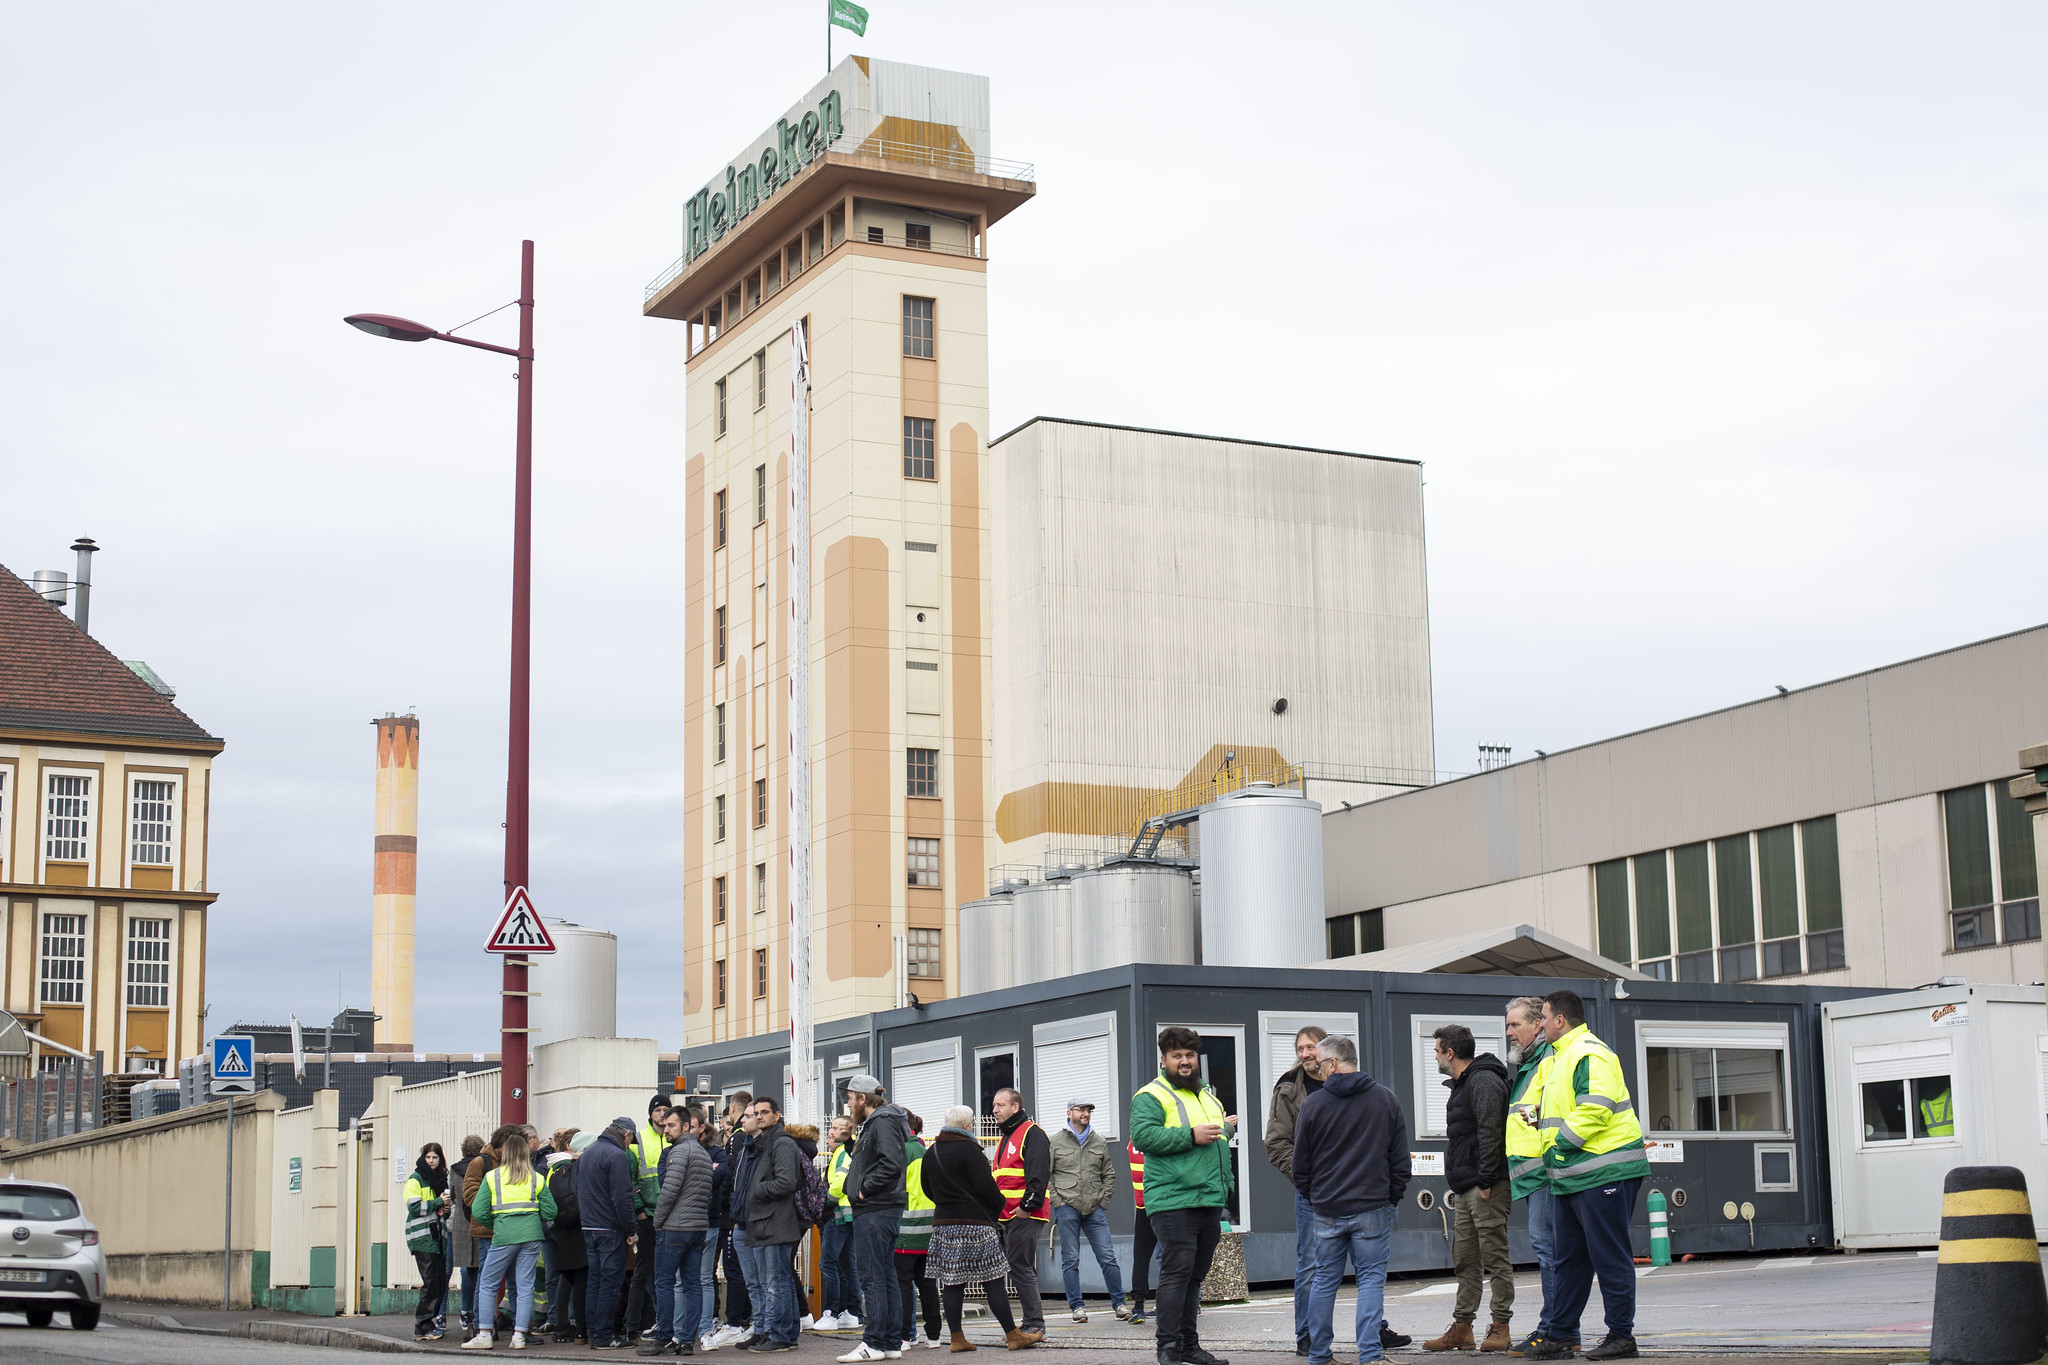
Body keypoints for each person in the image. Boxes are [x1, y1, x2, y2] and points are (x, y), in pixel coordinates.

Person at [1513, 991, 1649, 1362]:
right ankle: (1560, 1335)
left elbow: (1598, 1107)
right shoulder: (1561, 1057)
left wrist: (1558, 1144)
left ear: (1560, 1020)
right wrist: (1541, 1119)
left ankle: (1622, 1336)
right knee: (1569, 1258)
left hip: (1602, 1170)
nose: (1539, 1023)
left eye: (1543, 1017)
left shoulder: (1589, 1051)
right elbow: (1577, 1107)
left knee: (1608, 1256)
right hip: (1574, 1175)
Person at [1294, 1033, 1409, 1365]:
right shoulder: (1385, 1099)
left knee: (1324, 1281)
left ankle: (1319, 1355)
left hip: (1328, 1208)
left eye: (1321, 1064)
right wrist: (1391, 1198)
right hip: (1372, 1206)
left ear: (1333, 1063)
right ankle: (1370, 1354)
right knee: (1371, 1279)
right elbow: (1400, 1160)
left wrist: (1315, 1197)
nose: (1319, 1070)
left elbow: (1300, 1164)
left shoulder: (1314, 1104)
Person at [1131, 1026, 1234, 1365]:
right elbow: (1144, 1137)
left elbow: (1217, 1140)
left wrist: (1226, 1189)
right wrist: (1191, 1135)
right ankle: (1169, 1347)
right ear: (1164, 1060)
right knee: (1177, 1273)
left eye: (1190, 1055)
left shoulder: (1207, 1095)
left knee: (1194, 1276)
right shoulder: (1150, 1094)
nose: (1185, 1061)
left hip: (1209, 1198)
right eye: (1177, 1056)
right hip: (1173, 1200)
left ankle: (1189, 1345)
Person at [1425, 1025, 1513, 1353]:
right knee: (1465, 1257)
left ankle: (1501, 1326)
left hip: (1485, 1184)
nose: (1435, 1056)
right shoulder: (1464, 1083)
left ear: (1450, 1053)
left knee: (1494, 1256)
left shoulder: (1483, 1080)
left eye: (1436, 1050)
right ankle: (1462, 1327)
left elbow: (1491, 1131)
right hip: (1466, 1186)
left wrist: (1487, 1180)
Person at [917, 1103, 1025, 1352]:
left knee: (952, 1282)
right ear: (967, 1126)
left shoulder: (931, 1152)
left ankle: (956, 1338)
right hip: (975, 1225)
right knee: (994, 1279)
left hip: (944, 1225)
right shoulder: (970, 1150)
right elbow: (986, 1187)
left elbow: (927, 1188)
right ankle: (1012, 1334)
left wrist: (947, 1205)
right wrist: (997, 1206)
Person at [1501, 998, 1561, 1360]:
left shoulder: (1547, 1061)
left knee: (1549, 1250)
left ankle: (1554, 1329)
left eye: (1514, 1025)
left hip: (1547, 1176)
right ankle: (1555, 1327)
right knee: (1548, 1249)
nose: (1509, 1032)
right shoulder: (1528, 1064)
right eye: (1507, 1025)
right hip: (1534, 1177)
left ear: (1538, 1024)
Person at [463, 1130, 559, 1350]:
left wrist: (495, 1223)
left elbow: (478, 1210)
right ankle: (519, 1336)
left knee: (488, 1283)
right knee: (526, 1287)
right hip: (532, 1236)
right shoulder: (536, 1177)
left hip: (504, 1234)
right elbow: (550, 1211)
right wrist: (534, 1218)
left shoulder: (493, 1177)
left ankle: (485, 1333)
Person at [840, 1074, 912, 1363]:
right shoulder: (881, 1122)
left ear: (862, 1098)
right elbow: (881, 1160)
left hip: (876, 1208)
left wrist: (862, 1190)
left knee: (873, 1277)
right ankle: (890, 1342)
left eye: (850, 1097)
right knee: (885, 1276)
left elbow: (891, 1164)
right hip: (881, 1207)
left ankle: (874, 1343)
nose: (847, 1103)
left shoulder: (881, 1122)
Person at [1267, 1025, 1329, 1357]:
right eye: (1300, 1048)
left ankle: (1375, 1327)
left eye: (1311, 1047)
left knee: (1365, 1261)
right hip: (1312, 1191)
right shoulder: (1289, 1089)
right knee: (1311, 1263)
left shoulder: (1344, 1080)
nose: (1305, 1054)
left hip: (1351, 1188)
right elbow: (1276, 1143)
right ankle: (1305, 1334)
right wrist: (1306, 1179)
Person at [646, 1103, 716, 1357]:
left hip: (675, 1227)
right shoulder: (703, 1154)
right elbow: (705, 1194)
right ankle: (686, 1341)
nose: (666, 1130)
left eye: (671, 1125)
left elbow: (669, 1192)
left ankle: (663, 1336)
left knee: (664, 1283)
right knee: (693, 1284)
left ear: (686, 1126)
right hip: (697, 1228)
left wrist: (657, 1221)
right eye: (665, 1125)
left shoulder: (679, 1152)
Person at [740, 1094, 807, 1352]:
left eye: (764, 1112)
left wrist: (757, 1190)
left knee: (776, 1281)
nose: (759, 1117)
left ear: (776, 1115)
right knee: (779, 1281)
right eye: (756, 1113)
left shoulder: (781, 1143)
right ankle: (785, 1334)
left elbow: (786, 1182)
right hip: (767, 1222)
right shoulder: (767, 1143)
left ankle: (781, 1335)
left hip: (777, 1223)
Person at [1048, 1099, 1125, 1323]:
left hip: (1094, 1209)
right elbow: (1046, 1174)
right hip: (1067, 1208)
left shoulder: (1099, 1141)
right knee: (1070, 1259)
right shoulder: (1055, 1141)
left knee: (1108, 1257)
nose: (1086, 1114)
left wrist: (1103, 1202)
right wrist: (1057, 1201)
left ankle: (1120, 1304)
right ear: (1069, 1113)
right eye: (1081, 1110)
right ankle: (1077, 1307)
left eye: (1088, 1110)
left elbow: (1108, 1174)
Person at [990, 1088, 1051, 1343]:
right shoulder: (1006, 1136)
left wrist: (1027, 1206)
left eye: (1000, 1105)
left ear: (1015, 1107)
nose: (994, 1110)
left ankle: (1034, 1324)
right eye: (994, 1105)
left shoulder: (1031, 1132)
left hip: (1024, 1213)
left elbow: (1038, 1175)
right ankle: (1029, 1323)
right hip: (1008, 1214)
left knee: (1021, 1267)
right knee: (1019, 1267)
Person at [583, 1117, 642, 1350]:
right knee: (610, 1283)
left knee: (594, 1281)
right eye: (631, 1140)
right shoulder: (617, 1156)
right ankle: (604, 1335)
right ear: (626, 1135)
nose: (629, 1145)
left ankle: (594, 1333)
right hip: (610, 1228)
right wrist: (631, 1230)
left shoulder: (588, 1153)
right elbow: (622, 1198)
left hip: (590, 1227)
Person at [625, 1097, 676, 1345]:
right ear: (651, 1114)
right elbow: (630, 1178)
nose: (662, 1113)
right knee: (644, 1271)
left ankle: (663, 1320)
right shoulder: (639, 1139)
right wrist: (640, 1211)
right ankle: (634, 1325)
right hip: (647, 1215)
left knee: (665, 1271)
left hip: (668, 1215)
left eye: (666, 1109)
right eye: (658, 1110)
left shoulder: (673, 1137)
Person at [708, 1093, 757, 1350]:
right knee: (744, 1270)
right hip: (738, 1213)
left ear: (733, 1108)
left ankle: (736, 1321)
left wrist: (726, 1206)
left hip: (732, 1216)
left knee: (734, 1269)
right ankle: (744, 1319)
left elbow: (731, 1176)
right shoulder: (745, 1140)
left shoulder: (738, 1139)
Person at [893, 1111, 942, 1348]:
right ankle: (933, 1335)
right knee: (927, 1284)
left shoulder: (901, 1152)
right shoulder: (925, 1150)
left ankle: (904, 1335)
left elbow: (896, 1190)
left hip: (905, 1228)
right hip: (929, 1228)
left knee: (903, 1283)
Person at [819, 1114, 864, 1332]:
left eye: (836, 1128)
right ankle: (852, 1313)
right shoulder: (845, 1151)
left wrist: (826, 1199)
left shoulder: (843, 1152)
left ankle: (832, 1312)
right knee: (847, 1265)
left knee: (828, 1263)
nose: (831, 1131)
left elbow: (838, 1182)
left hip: (839, 1213)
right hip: (849, 1213)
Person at [463, 1128, 510, 1334]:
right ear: (501, 1144)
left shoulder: (513, 1163)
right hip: (487, 1230)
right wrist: (493, 1214)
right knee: (486, 1277)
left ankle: (503, 1324)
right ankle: (482, 1324)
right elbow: (470, 1195)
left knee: (512, 1279)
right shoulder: (481, 1163)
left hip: (509, 1230)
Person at [405, 1142, 453, 1342]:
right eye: (428, 1157)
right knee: (431, 1281)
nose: (431, 1161)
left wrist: (446, 1208)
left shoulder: (441, 1180)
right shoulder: (415, 1179)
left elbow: (442, 1211)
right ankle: (422, 1325)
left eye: (435, 1157)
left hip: (437, 1237)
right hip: (422, 1237)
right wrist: (438, 1202)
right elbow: (414, 1207)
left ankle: (429, 1323)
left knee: (439, 1282)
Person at [546, 1131, 591, 1345]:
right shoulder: (581, 1169)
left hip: (565, 1228)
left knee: (568, 1278)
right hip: (581, 1229)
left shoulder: (557, 1169)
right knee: (580, 1279)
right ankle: (580, 1329)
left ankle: (562, 1325)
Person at [451, 1135, 487, 1335]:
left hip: (462, 1222)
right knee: (483, 1270)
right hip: (480, 1219)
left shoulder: (455, 1169)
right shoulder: (482, 1167)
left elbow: (454, 1194)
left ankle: (466, 1311)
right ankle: (479, 1314)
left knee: (467, 1270)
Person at [1126, 1141, 1156, 1326]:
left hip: (1144, 1205)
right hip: (1163, 1204)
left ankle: (1138, 1307)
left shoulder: (1135, 1138)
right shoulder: (1158, 1133)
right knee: (1172, 1256)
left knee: (1141, 1256)